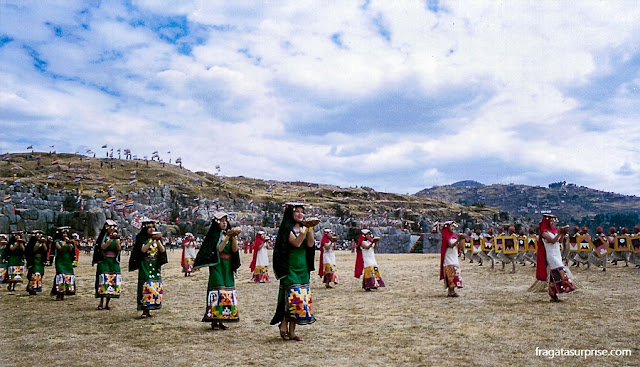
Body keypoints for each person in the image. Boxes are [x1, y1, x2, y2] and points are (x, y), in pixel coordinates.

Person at [269, 202, 317, 342]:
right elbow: (296, 243)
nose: (300, 214)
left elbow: (310, 244)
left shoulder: (304, 228)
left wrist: (310, 229)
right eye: (297, 211)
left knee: (299, 301)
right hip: (290, 268)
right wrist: (305, 229)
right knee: (289, 299)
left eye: (302, 212)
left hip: (302, 268)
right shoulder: (286, 229)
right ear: (291, 213)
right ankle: (283, 325)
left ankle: (292, 332)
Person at [193, 212, 241, 330]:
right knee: (218, 290)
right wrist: (227, 238)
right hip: (217, 265)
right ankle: (214, 320)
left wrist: (233, 237)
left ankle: (224, 318)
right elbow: (219, 249)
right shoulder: (214, 235)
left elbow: (234, 250)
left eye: (225, 220)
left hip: (227, 266)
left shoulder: (228, 234)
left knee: (227, 291)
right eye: (221, 221)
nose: (224, 223)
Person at [533, 214, 576, 302]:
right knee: (559, 272)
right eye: (551, 221)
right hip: (551, 255)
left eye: (553, 221)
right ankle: (564, 288)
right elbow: (552, 241)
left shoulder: (553, 231)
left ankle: (553, 294)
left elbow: (559, 241)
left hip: (557, 254)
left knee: (554, 275)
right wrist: (560, 232)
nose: (552, 223)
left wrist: (563, 233)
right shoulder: (544, 233)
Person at [129, 220, 167, 318]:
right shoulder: (141, 238)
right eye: (149, 227)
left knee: (155, 285)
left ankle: (151, 307)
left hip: (155, 264)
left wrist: (158, 240)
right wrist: (151, 240)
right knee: (146, 285)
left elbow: (162, 250)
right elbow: (143, 250)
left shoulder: (157, 239)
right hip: (145, 264)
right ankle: (145, 310)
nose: (152, 229)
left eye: (153, 227)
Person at [93, 220, 122, 310]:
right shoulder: (103, 237)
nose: (112, 229)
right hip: (104, 261)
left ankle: (107, 303)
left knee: (112, 281)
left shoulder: (116, 238)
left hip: (113, 261)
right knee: (103, 281)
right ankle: (101, 302)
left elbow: (118, 249)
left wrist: (116, 240)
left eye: (113, 227)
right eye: (110, 227)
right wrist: (110, 240)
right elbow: (103, 247)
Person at [439, 221, 466, 297]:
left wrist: (461, 240)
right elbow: (450, 245)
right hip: (448, 258)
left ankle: (452, 291)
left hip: (454, 257)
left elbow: (458, 246)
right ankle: (450, 291)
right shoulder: (445, 235)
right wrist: (458, 239)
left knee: (454, 274)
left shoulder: (454, 235)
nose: (453, 228)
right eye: (451, 226)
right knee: (450, 275)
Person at [51, 227, 77, 300]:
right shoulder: (57, 241)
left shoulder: (68, 241)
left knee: (67, 276)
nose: (65, 235)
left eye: (66, 233)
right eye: (63, 233)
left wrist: (70, 244)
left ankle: (65, 292)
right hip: (60, 260)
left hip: (67, 260)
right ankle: (59, 293)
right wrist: (66, 243)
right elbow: (60, 249)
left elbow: (70, 250)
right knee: (60, 275)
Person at [25, 230, 47, 295]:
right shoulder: (31, 243)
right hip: (33, 260)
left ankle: (37, 287)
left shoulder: (43, 242)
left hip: (40, 260)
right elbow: (33, 250)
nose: (38, 235)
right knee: (33, 273)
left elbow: (45, 250)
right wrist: (38, 243)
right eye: (37, 234)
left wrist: (43, 243)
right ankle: (31, 288)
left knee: (40, 273)